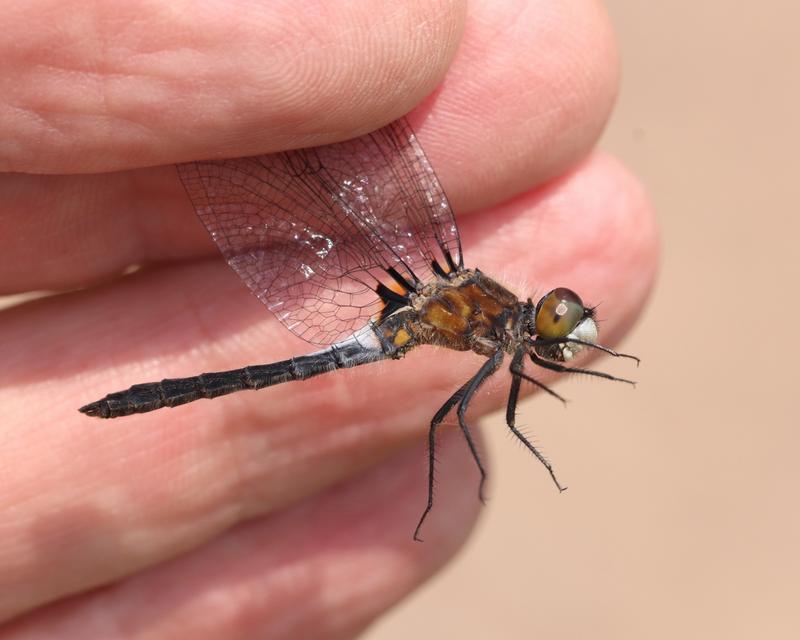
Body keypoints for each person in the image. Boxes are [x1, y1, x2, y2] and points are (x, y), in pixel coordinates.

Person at [0, 0, 657, 637]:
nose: (559, 325)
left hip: (404, 307)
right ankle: (147, 395)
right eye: (559, 320)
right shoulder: (496, 321)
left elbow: (520, 380)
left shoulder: (504, 326)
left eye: (558, 322)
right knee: (449, 416)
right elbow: (481, 409)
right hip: (398, 317)